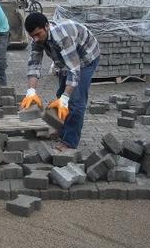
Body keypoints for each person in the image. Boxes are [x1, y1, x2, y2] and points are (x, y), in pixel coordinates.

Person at [20, 12, 100, 150]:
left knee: (75, 101)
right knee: (61, 95)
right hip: (66, 59)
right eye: (32, 36)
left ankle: (69, 141)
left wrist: (66, 98)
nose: (36, 38)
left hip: (86, 57)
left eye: (38, 34)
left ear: (46, 26)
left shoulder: (62, 37)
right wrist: (31, 92)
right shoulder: (37, 39)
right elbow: (34, 65)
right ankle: (60, 129)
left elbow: (74, 71)